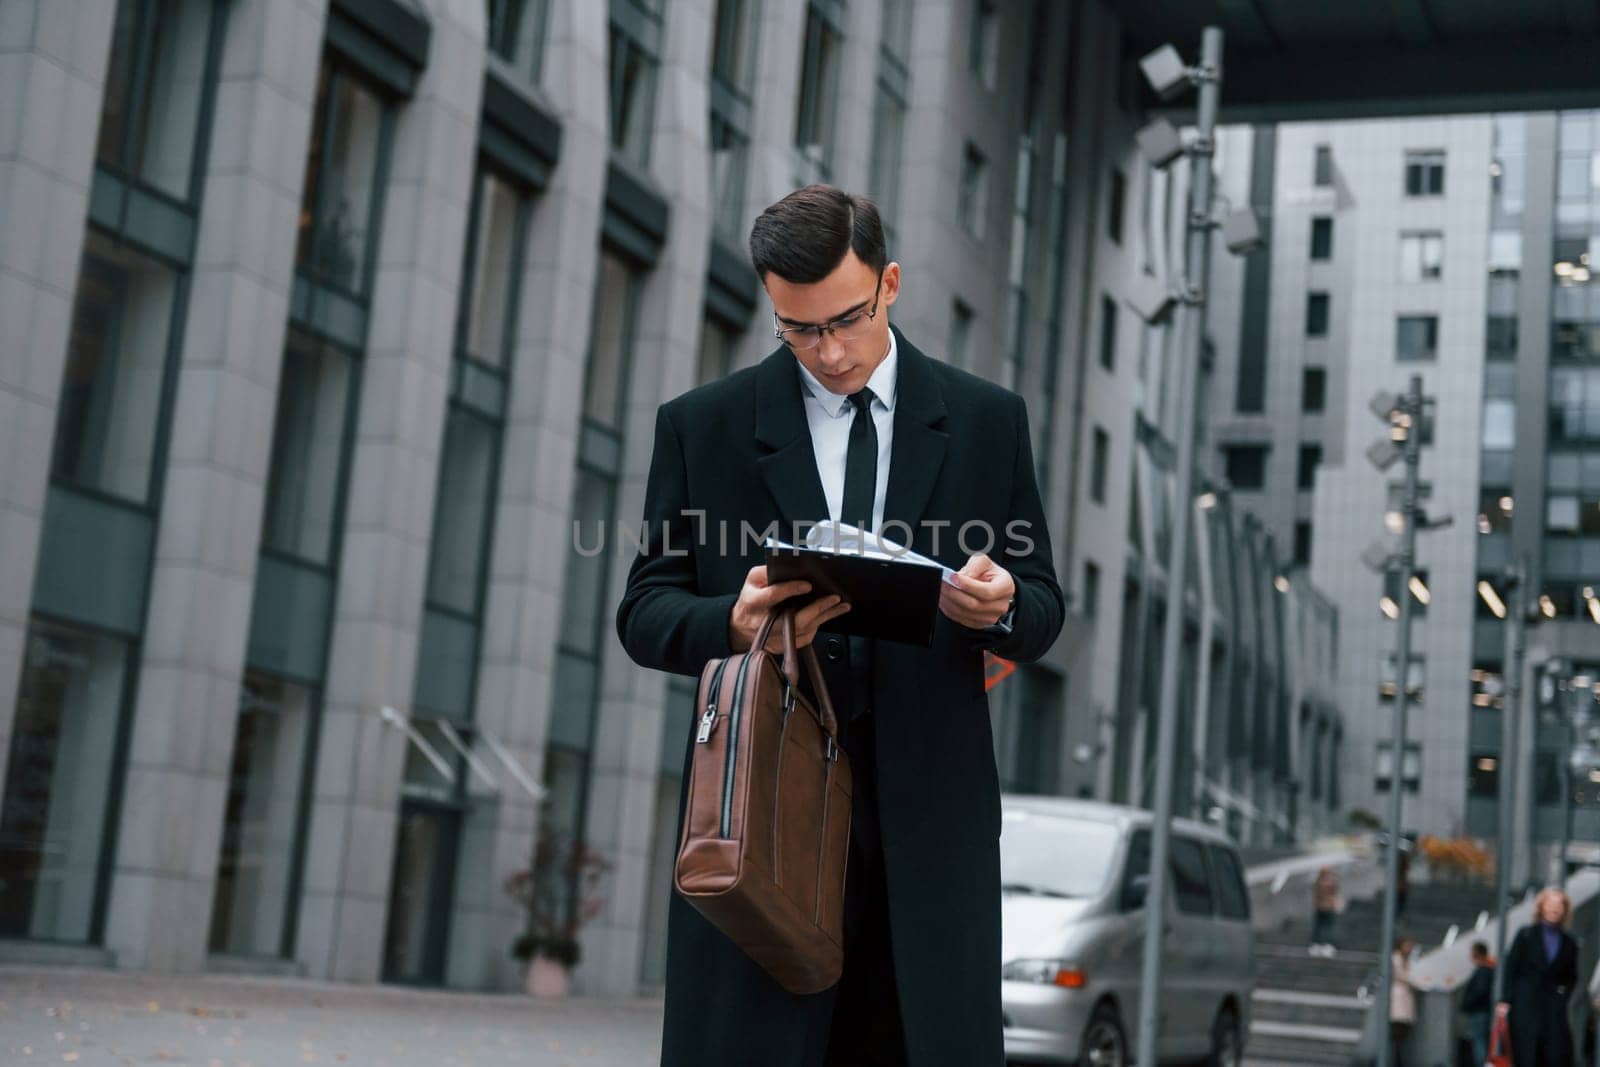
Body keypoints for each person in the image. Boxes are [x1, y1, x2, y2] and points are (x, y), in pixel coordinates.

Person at [616, 185, 1065, 1067]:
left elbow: (1043, 608)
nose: (825, 351)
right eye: (797, 328)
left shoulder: (986, 421)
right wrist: (730, 618)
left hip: (928, 835)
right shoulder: (702, 426)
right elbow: (643, 609)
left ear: (889, 283)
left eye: (844, 321)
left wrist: (1003, 603)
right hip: (762, 825)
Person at [1497, 887, 1580, 1067]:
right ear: (1541, 907)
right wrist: (1505, 1001)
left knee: (1555, 1055)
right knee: (1525, 1053)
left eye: (1559, 906)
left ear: (1565, 910)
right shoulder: (1526, 934)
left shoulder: (1569, 942)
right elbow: (1511, 968)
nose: (1554, 909)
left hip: (1552, 1008)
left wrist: (1562, 997)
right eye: (1550, 904)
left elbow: (1572, 976)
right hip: (1524, 1005)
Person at [1459, 941, 1496, 1067]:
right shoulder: (1489, 968)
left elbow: (1480, 991)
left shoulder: (1483, 970)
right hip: (1482, 1011)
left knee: (1479, 1042)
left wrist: (1467, 1004)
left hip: (1479, 1012)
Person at [1390, 935, 1421, 1067]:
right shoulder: (1396, 959)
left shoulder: (1406, 960)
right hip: (1398, 1004)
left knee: (1401, 1037)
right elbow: (1404, 976)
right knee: (1397, 1036)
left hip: (1404, 1005)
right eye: (1407, 945)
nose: (1409, 948)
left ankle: (1397, 1061)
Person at [1309, 866, 1342, 956]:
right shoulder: (1329, 882)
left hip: (1320, 908)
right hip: (1327, 909)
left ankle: (1317, 945)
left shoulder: (1318, 882)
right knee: (1326, 928)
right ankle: (1324, 946)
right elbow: (1334, 891)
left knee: (1319, 928)